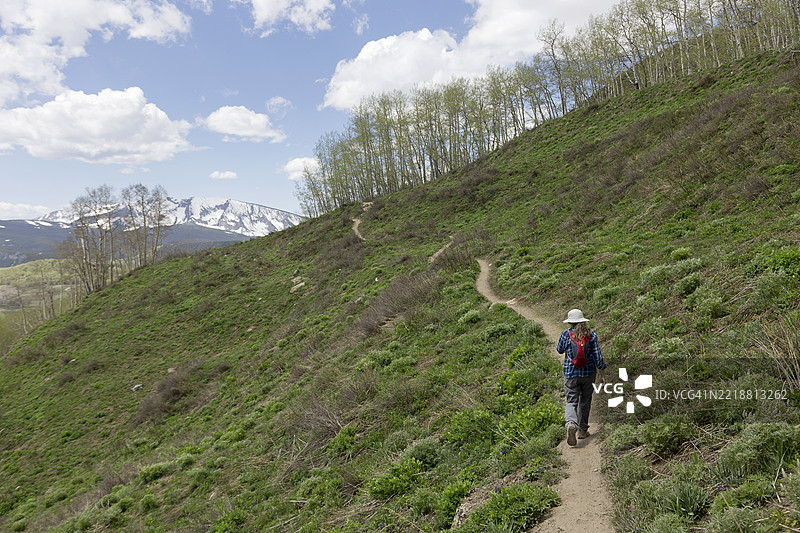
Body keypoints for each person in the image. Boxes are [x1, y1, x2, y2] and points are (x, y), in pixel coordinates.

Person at [556, 308, 607, 446]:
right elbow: (598, 357)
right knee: (585, 400)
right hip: (588, 373)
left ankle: (571, 423)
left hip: (571, 374)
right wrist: (602, 374)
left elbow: (559, 349)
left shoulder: (566, 334)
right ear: (583, 321)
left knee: (571, 401)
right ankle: (582, 430)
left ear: (570, 322)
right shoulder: (592, 334)